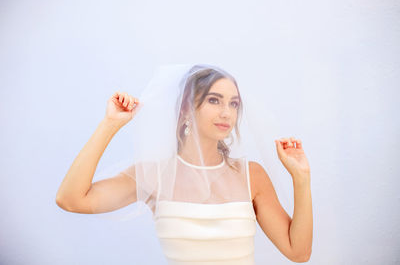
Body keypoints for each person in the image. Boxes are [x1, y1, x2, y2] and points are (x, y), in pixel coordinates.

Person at [56, 64, 313, 264]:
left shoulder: (251, 175)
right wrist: (110, 125)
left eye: (233, 104)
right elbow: (71, 199)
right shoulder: (154, 175)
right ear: (186, 109)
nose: (226, 112)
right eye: (214, 100)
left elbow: (298, 252)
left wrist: (301, 178)